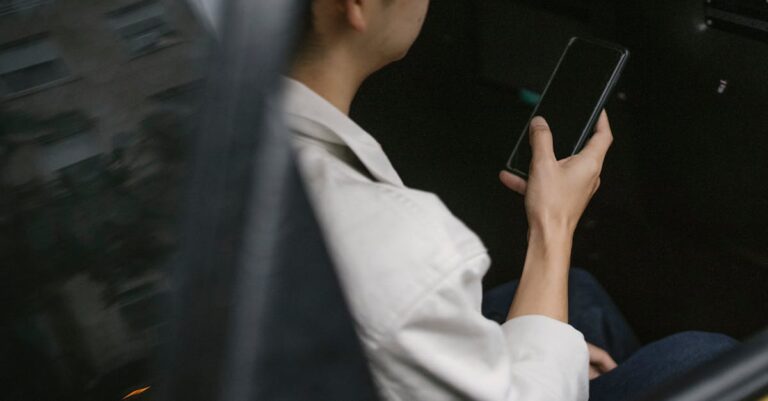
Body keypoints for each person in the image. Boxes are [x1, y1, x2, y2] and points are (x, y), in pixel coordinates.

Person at [282, 0, 736, 400]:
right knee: (706, 357)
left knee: (580, 298)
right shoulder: (394, 239)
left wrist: (521, 348)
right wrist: (552, 224)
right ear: (355, 4)